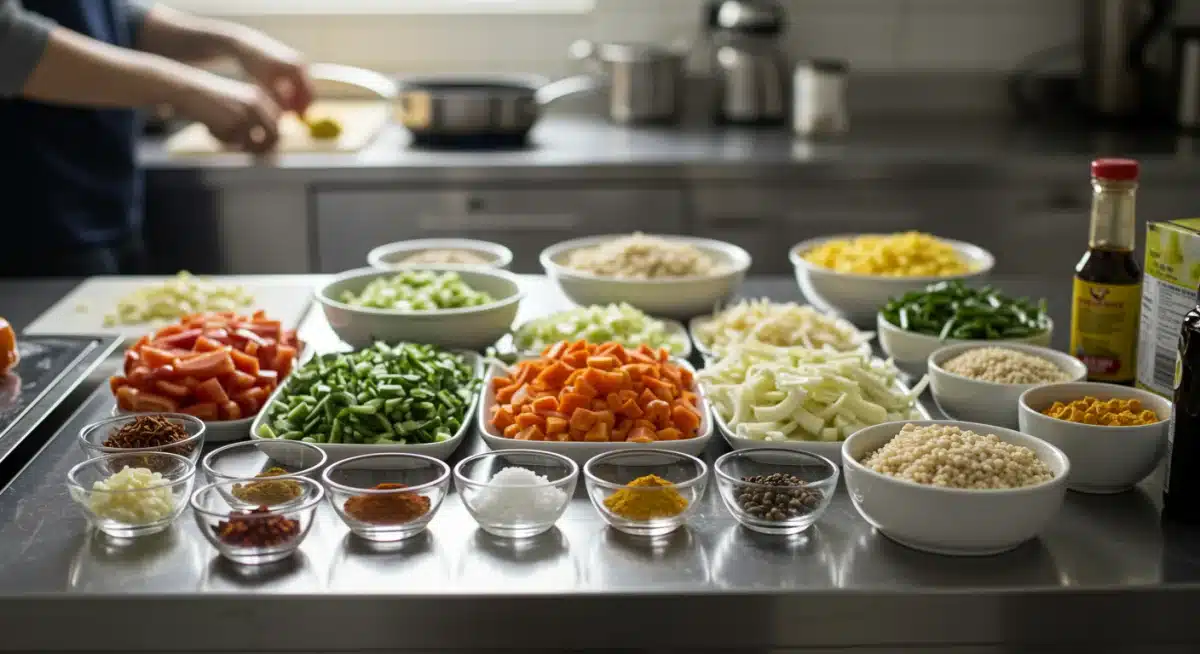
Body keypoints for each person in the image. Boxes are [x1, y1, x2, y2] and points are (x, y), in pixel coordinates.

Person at [0, 1, 314, 276]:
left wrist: (230, 42)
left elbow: (96, 15)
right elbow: (7, 39)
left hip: (99, 204)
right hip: (28, 222)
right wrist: (183, 89)